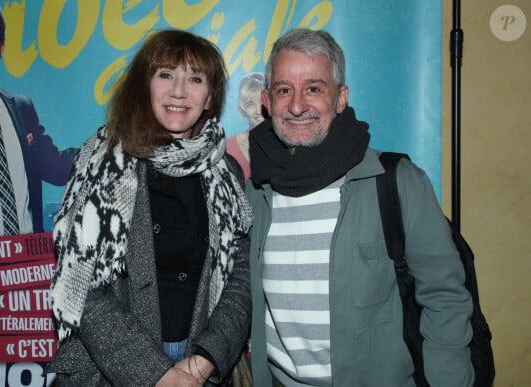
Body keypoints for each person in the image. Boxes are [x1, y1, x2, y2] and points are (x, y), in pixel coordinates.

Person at [246, 28, 474, 386]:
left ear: (340, 98)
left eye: (314, 88)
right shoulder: (256, 192)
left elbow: (445, 300)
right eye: (284, 90)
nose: (296, 105)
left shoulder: (396, 181)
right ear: (266, 100)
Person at [47, 29, 253, 386]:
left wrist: (203, 361)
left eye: (195, 78)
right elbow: (81, 281)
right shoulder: (101, 163)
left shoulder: (226, 172)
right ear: (145, 86)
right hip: (109, 369)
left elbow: (242, 276)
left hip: (199, 364)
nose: (179, 90)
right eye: (165, 75)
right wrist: (156, 374)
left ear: (209, 98)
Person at [0, 0, 77, 241]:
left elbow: (58, 168)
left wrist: (112, 140)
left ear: (2, 44)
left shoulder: (21, 107)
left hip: (25, 266)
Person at [226, 72, 265, 181]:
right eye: (250, 104)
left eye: (262, 102)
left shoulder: (285, 145)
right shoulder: (227, 148)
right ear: (242, 108)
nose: (258, 110)